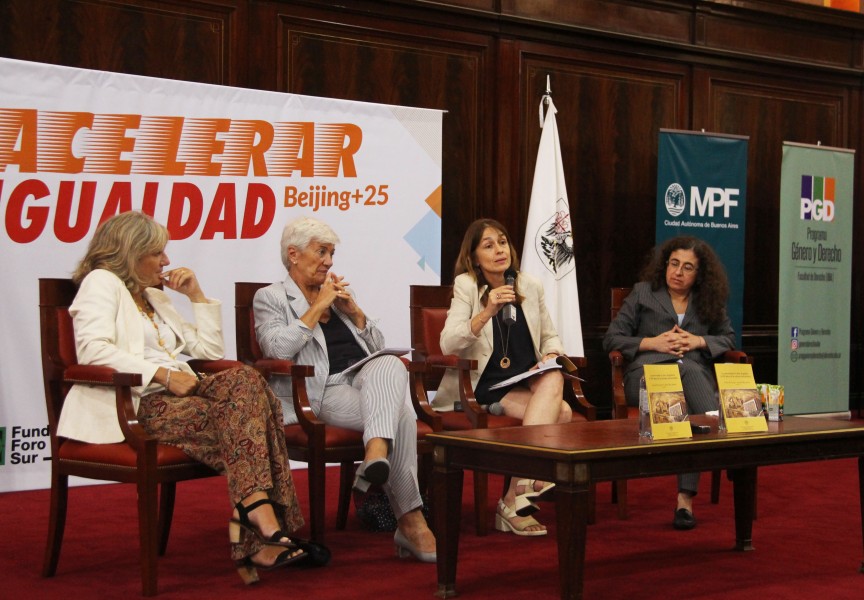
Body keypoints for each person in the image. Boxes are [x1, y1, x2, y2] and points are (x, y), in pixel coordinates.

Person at [58, 211, 308, 584]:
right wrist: (161, 374)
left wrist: (196, 296)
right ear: (130, 252)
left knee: (246, 380)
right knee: (254, 415)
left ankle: (256, 517)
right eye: (158, 253)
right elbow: (92, 350)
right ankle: (263, 525)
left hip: (182, 390)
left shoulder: (155, 296)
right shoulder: (101, 282)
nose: (167, 261)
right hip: (136, 400)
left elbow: (208, 347)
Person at [253, 216, 436, 562]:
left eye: (332, 253)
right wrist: (318, 307)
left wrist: (355, 313)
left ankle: (376, 454)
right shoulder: (271, 297)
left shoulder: (337, 294)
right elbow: (275, 349)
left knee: (389, 363)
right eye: (321, 252)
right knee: (402, 418)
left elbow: (377, 345)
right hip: (319, 390)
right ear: (293, 254)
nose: (329, 262)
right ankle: (412, 522)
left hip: (364, 378)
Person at [436, 218, 572, 537]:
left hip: (524, 381)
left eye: (502, 241)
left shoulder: (529, 285)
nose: (499, 250)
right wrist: (486, 312)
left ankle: (515, 493)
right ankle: (517, 493)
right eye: (489, 245)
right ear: (474, 257)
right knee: (562, 413)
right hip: (483, 386)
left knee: (556, 381)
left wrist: (552, 355)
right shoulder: (467, 286)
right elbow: (448, 343)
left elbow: (550, 336)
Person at [603, 235, 735, 531]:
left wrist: (698, 340)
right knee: (689, 376)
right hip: (646, 377)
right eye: (674, 264)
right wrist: (654, 342)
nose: (678, 272)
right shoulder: (642, 293)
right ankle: (723, 439)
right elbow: (612, 339)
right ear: (664, 265)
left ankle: (684, 500)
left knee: (687, 380)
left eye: (688, 267)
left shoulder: (707, 301)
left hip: (689, 386)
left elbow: (728, 338)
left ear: (699, 274)